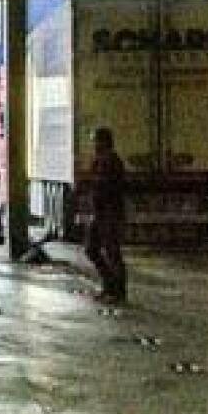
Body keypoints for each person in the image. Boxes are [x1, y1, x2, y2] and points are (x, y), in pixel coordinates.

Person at [83, 126, 128, 304]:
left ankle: (117, 290)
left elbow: (107, 186)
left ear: (103, 142)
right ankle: (109, 286)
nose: (93, 144)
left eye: (95, 140)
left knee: (112, 252)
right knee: (91, 248)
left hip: (110, 213)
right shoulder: (100, 159)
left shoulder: (111, 161)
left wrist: (92, 183)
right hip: (100, 212)